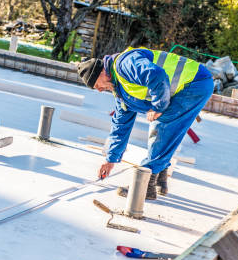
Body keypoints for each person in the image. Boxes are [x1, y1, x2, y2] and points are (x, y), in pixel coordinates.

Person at [77, 47, 213, 200]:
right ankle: (160, 179)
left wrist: (158, 107)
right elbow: (120, 127)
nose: (100, 90)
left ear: (101, 73)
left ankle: (145, 185)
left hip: (195, 82)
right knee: (163, 127)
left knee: (163, 126)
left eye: (96, 85)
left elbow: (157, 75)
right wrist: (110, 160)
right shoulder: (120, 91)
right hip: (191, 85)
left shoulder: (125, 64)